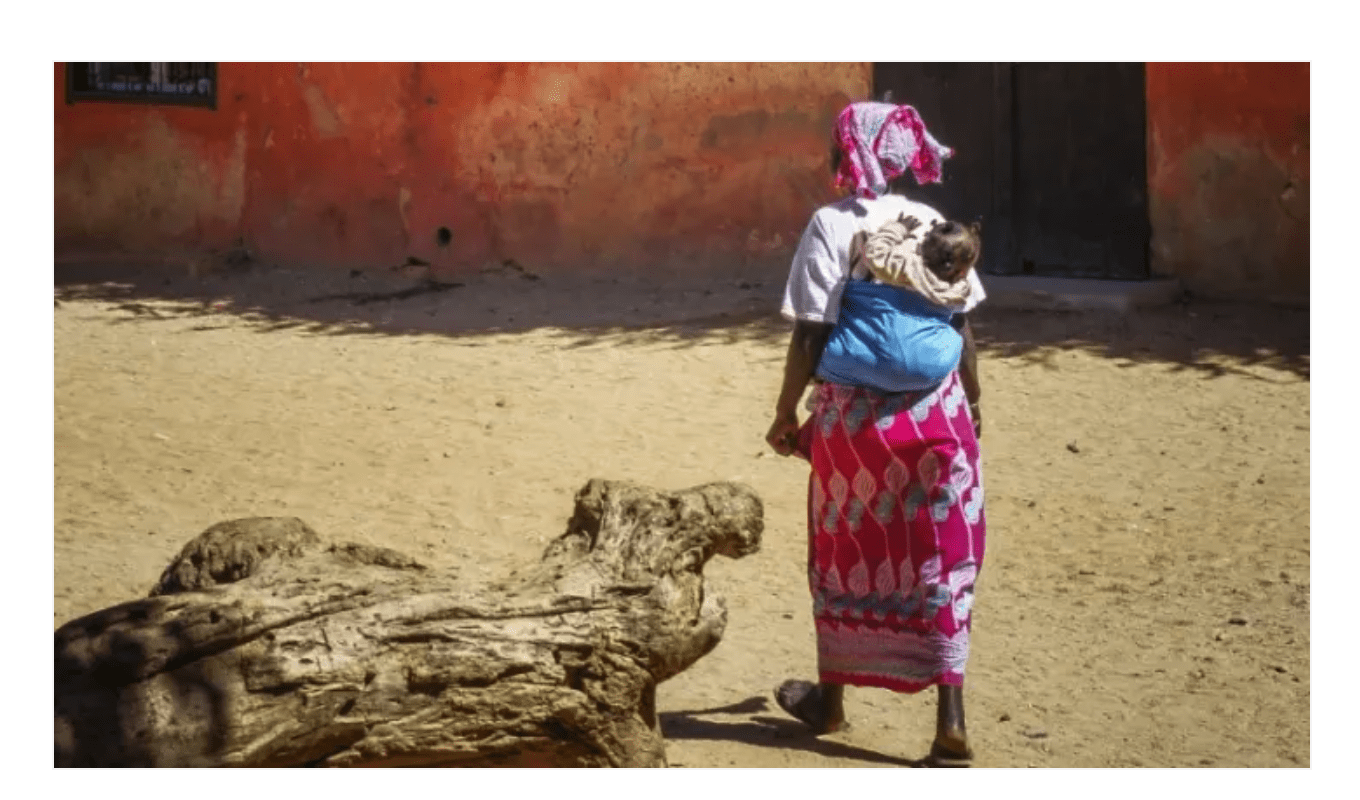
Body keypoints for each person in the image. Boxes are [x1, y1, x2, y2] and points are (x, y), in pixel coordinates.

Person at [765, 101, 986, 766]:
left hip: (854, 420)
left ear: (848, 153)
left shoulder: (831, 224)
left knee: (844, 546)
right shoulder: (928, 221)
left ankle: (830, 702)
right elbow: (961, 325)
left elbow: (811, 328)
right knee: (944, 558)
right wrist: (973, 403)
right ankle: (951, 718)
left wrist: (785, 413)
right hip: (937, 412)